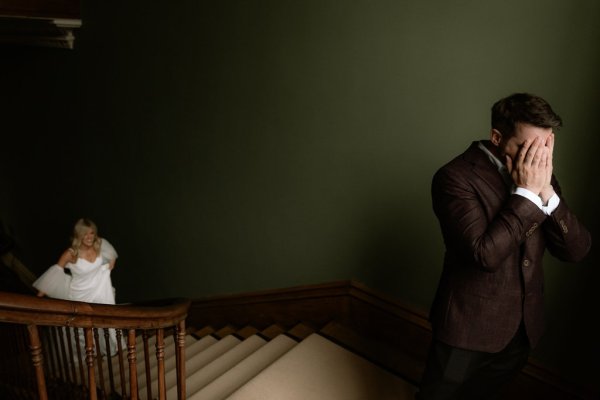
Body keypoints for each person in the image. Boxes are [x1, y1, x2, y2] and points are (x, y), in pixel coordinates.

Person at [416, 93, 591, 399]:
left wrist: (547, 193)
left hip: (522, 331)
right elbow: (484, 254)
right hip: (467, 328)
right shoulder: (454, 178)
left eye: (545, 147)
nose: (539, 158)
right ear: (497, 137)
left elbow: (576, 250)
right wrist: (526, 195)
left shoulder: (542, 176)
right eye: (529, 148)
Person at [33, 218, 120, 354]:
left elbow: (112, 256)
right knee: (82, 330)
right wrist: (37, 300)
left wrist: (107, 269)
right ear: (78, 235)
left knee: (103, 322)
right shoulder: (71, 254)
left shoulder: (100, 244)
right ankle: (88, 356)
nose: (89, 237)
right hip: (80, 295)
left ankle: (104, 351)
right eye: (85, 234)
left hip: (99, 292)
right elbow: (54, 273)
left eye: (92, 233)